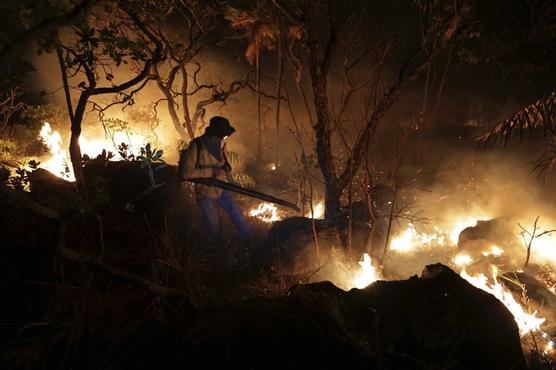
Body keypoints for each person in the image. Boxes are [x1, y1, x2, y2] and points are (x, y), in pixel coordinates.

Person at [179, 116, 252, 240]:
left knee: (239, 218)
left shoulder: (220, 145)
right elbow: (186, 173)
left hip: (223, 189)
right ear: (215, 134)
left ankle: (250, 243)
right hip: (205, 192)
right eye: (223, 135)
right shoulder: (197, 146)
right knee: (213, 227)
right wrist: (212, 171)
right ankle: (208, 252)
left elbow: (225, 167)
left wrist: (232, 182)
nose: (225, 138)